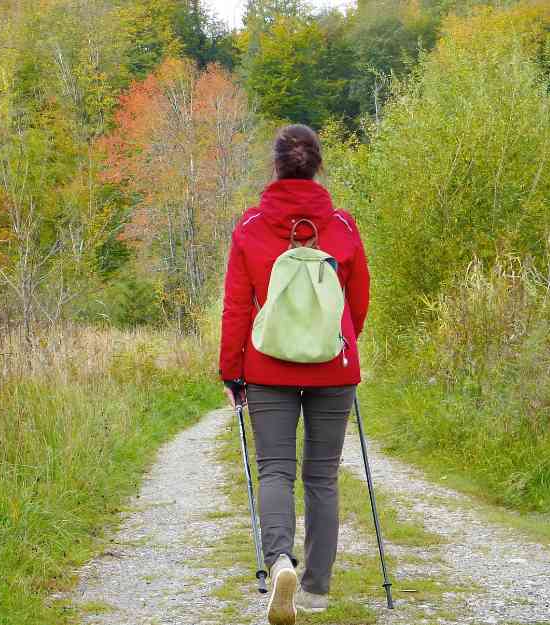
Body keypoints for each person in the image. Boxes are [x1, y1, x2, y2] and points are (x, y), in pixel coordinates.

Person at [219, 124, 370, 624]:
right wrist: (342, 343)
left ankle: (279, 560)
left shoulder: (252, 225)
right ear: (318, 165)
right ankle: (316, 590)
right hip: (334, 366)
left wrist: (231, 370)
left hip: (267, 365)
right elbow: (359, 302)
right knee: (323, 476)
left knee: (276, 470)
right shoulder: (344, 227)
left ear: (276, 165)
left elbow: (237, 307)